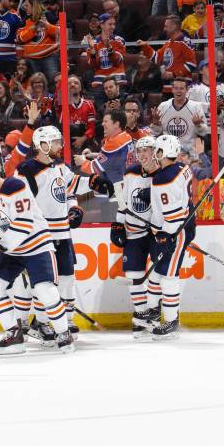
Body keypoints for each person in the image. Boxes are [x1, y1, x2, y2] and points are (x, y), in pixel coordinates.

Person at [13, 126, 113, 340]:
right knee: (44, 283)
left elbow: (72, 184)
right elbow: (19, 203)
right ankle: (41, 323)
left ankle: (66, 320)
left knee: (67, 279)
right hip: (42, 237)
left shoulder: (59, 165)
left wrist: (94, 182)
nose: (61, 145)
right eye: (56, 142)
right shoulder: (26, 170)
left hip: (62, 234)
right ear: (43, 145)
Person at [0, 155, 75, 354]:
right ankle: (14, 334)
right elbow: (5, 226)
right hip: (15, 250)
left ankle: (64, 333)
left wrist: (2, 246)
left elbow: (24, 223)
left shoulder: (14, 186)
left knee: (44, 290)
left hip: (38, 245)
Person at [146, 134, 196, 338]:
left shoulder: (163, 179)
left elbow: (172, 216)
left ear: (163, 152)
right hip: (181, 226)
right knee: (157, 272)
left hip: (175, 231)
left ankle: (172, 321)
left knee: (168, 276)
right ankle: (156, 311)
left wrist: (167, 236)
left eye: (157, 151)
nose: (154, 155)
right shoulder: (183, 167)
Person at [110, 136, 160, 339]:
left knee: (159, 277)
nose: (142, 155)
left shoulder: (164, 174)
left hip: (157, 233)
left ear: (156, 152)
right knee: (134, 275)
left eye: (146, 150)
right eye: (139, 151)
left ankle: (155, 315)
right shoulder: (130, 173)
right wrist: (118, 223)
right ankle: (141, 315)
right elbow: (123, 203)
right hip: (135, 231)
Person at [74, 108, 134, 187]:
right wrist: (93, 155)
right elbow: (113, 157)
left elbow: (94, 169)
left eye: (106, 121)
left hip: (118, 187)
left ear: (116, 124)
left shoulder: (114, 143)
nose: (102, 124)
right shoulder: (126, 136)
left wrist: (82, 161)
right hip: (128, 181)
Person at [151, 77, 207, 155]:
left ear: (187, 90)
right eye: (176, 88)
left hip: (190, 153)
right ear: (172, 90)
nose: (178, 91)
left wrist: (198, 125)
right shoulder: (163, 106)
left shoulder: (196, 107)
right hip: (168, 153)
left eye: (181, 88)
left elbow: (204, 132)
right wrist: (156, 123)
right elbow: (154, 133)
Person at [16, 0, 60, 87]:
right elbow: (19, 39)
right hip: (32, 59)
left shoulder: (49, 16)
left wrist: (47, 25)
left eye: (27, 6)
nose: (25, 8)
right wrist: (33, 29)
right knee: (35, 85)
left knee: (53, 82)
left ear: (34, 6)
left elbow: (59, 34)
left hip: (49, 57)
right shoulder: (25, 20)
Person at [138, 15, 197, 81]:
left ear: (174, 27)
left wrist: (174, 74)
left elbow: (192, 64)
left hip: (182, 84)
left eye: (166, 26)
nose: (164, 29)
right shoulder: (168, 43)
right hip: (168, 83)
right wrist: (145, 46)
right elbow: (157, 58)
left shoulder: (185, 42)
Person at [86, 13, 127, 91]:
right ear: (102, 25)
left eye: (114, 24)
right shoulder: (93, 43)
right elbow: (94, 65)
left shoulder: (119, 40)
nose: (113, 27)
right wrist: (93, 52)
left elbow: (118, 61)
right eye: (110, 24)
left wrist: (109, 48)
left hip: (118, 80)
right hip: (100, 82)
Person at [56, 75, 96, 155]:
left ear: (80, 88)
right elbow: (58, 93)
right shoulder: (61, 103)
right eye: (69, 83)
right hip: (65, 142)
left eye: (76, 83)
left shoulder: (89, 105)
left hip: (84, 141)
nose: (73, 85)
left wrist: (82, 139)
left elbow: (91, 127)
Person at [188, 59, 224, 127]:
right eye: (208, 66)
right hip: (203, 130)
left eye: (214, 66)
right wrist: (210, 106)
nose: (213, 68)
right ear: (201, 71)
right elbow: (189, 107)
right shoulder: (193, 88)